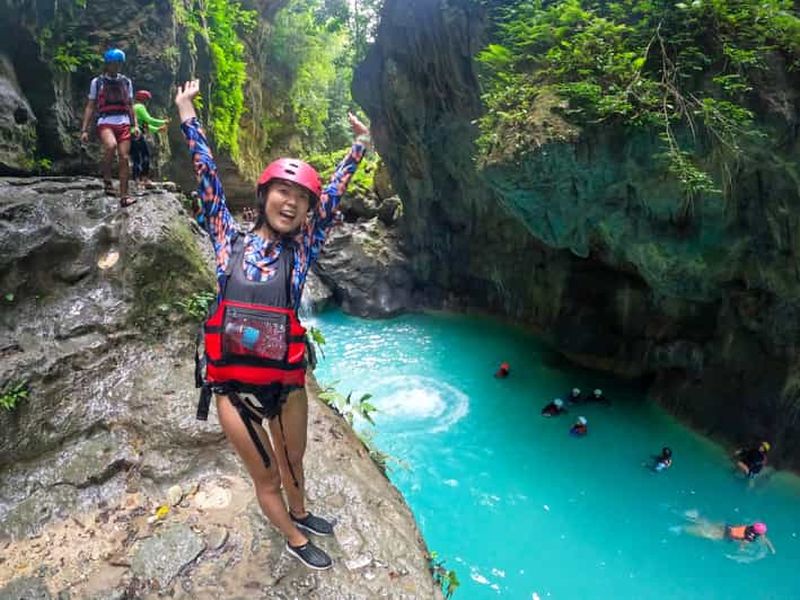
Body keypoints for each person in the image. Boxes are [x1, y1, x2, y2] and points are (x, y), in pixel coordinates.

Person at [177, 79, 370, 570]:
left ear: (308, 211)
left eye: (300, 198)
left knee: (294, 461)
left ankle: (301, 511)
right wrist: (185, 114)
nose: (290, 202)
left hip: (286, 385)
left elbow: (333, 195)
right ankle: (294, 538)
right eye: (282, 192)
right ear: (264, 196)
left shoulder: (302, 250)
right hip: (234, 391)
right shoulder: (227, 241)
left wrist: (359, 148)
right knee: (266, 479)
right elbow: (208, 179)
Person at [80, 48, 139, 207]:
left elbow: (131, 105)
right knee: (111, 146)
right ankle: (107, 179)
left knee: (124, 157)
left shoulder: (126, 82)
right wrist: (84, 129)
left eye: (119, 63)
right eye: (113, 63)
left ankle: (124, 195)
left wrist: (136, 125)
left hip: (124, 122)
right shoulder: (97, 82)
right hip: (105, 121)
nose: (116, 66)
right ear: (107, 64)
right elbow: (91, 106)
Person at [131, 90, 168, 192]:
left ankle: (137, 179)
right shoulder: (139, 107)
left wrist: (157, 129)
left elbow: (146, 125)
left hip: (131, 134)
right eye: (147, 100)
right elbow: (149, 120)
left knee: (136, 157)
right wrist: (163, 122)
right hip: (137, 134)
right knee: (145, 155)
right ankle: (144, 179)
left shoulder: (134, 107)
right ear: (144, 99)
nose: (148, 102)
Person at [685, 518, 776, 554]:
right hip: (727, 535)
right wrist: (741, 550)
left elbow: (765, 538)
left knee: (711, 526)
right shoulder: (750, 536)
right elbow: (743, 543)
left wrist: (771, 548)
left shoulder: (752, 528)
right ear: (758, 532)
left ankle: (694, 521)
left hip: (728, 527)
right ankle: (683, 529)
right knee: (706, 534)